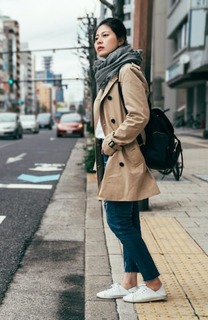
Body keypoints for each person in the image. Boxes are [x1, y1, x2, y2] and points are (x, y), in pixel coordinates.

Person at [92, 18, 167, 303]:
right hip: (111, 153)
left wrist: (111, 142)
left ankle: (154, 283)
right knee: (129, 221)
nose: (99, 40)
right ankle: (128, 282)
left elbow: (139, 115)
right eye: (96, 36)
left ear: (121, 40)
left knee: (118, 222)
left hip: (122, 152)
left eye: (105, 35)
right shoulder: (108, 71)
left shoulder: (127, 70)